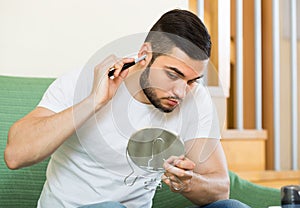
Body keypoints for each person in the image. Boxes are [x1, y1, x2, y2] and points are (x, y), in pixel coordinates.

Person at [4, 9, 250, 208]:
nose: (181, 92)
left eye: (192, 80)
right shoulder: (85, 81)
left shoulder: (195, 98)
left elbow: (221, 188)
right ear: (145, 54)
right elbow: (15, 155)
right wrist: (94, 101)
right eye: (173, 74)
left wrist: (187, 182)